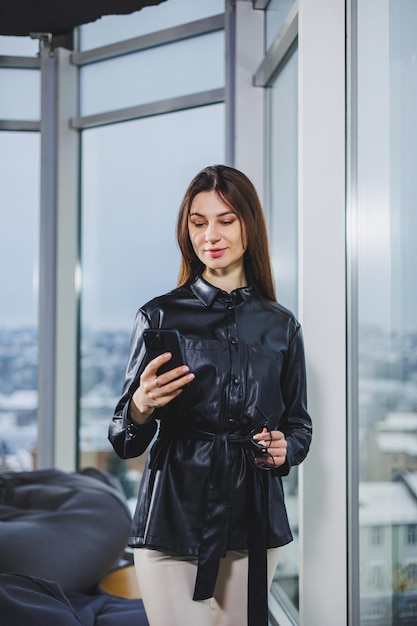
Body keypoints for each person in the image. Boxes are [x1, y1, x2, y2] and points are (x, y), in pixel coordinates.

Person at [108, 165, 312, 626]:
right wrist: (141, 405)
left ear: (248, 226)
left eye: (226, 219)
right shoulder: (159, 315)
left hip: (253, 516)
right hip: (172, 519)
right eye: (199, 222)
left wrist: (286, 448)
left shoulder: (281, 325)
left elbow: (299, 424)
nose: (211, 235)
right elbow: (123, 439)